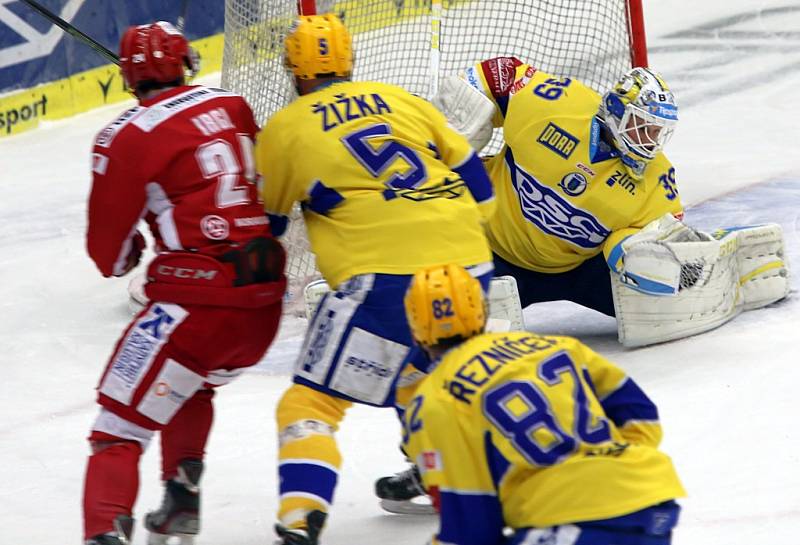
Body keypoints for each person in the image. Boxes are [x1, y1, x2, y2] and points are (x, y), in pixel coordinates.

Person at [253, 13, 496, 545]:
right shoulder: (400, 98)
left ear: (295, 70)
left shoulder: (285, 129)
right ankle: (451, 488)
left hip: (385, 280)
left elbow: (265, 231)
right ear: (349, 61)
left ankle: (300, 517)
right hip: (470, 264)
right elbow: (475, 176)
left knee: (311, 404)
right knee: (421, 382)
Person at [83, 21, 286, 545]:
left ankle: (103, 531)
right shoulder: (235, 105)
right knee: (185, 383)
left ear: (129, 77)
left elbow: (110, 257)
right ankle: (180, 500)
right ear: (186, 62)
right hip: (264, 306)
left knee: (116, 427)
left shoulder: (124, 135)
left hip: (197, 309)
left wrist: (131, 251)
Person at [399, 263, 686, 545]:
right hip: (650, 496)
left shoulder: (433, 401)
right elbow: (641, 417)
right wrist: (609, 472)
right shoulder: (555, 346)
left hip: (569, 519)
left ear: (414, 330)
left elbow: (471, 527)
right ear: (482, 310)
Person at [435, 58, 683, 316]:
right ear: (617, 111)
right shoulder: (557, 106)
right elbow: (499, 74)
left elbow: (668, 239)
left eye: (656, 133)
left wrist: (648, 255)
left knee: (665, 307)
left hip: (581, 270)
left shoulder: (657, 179)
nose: (650, 143)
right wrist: (451, 125)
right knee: (440, 315)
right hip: (489, 251)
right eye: (643, 128)